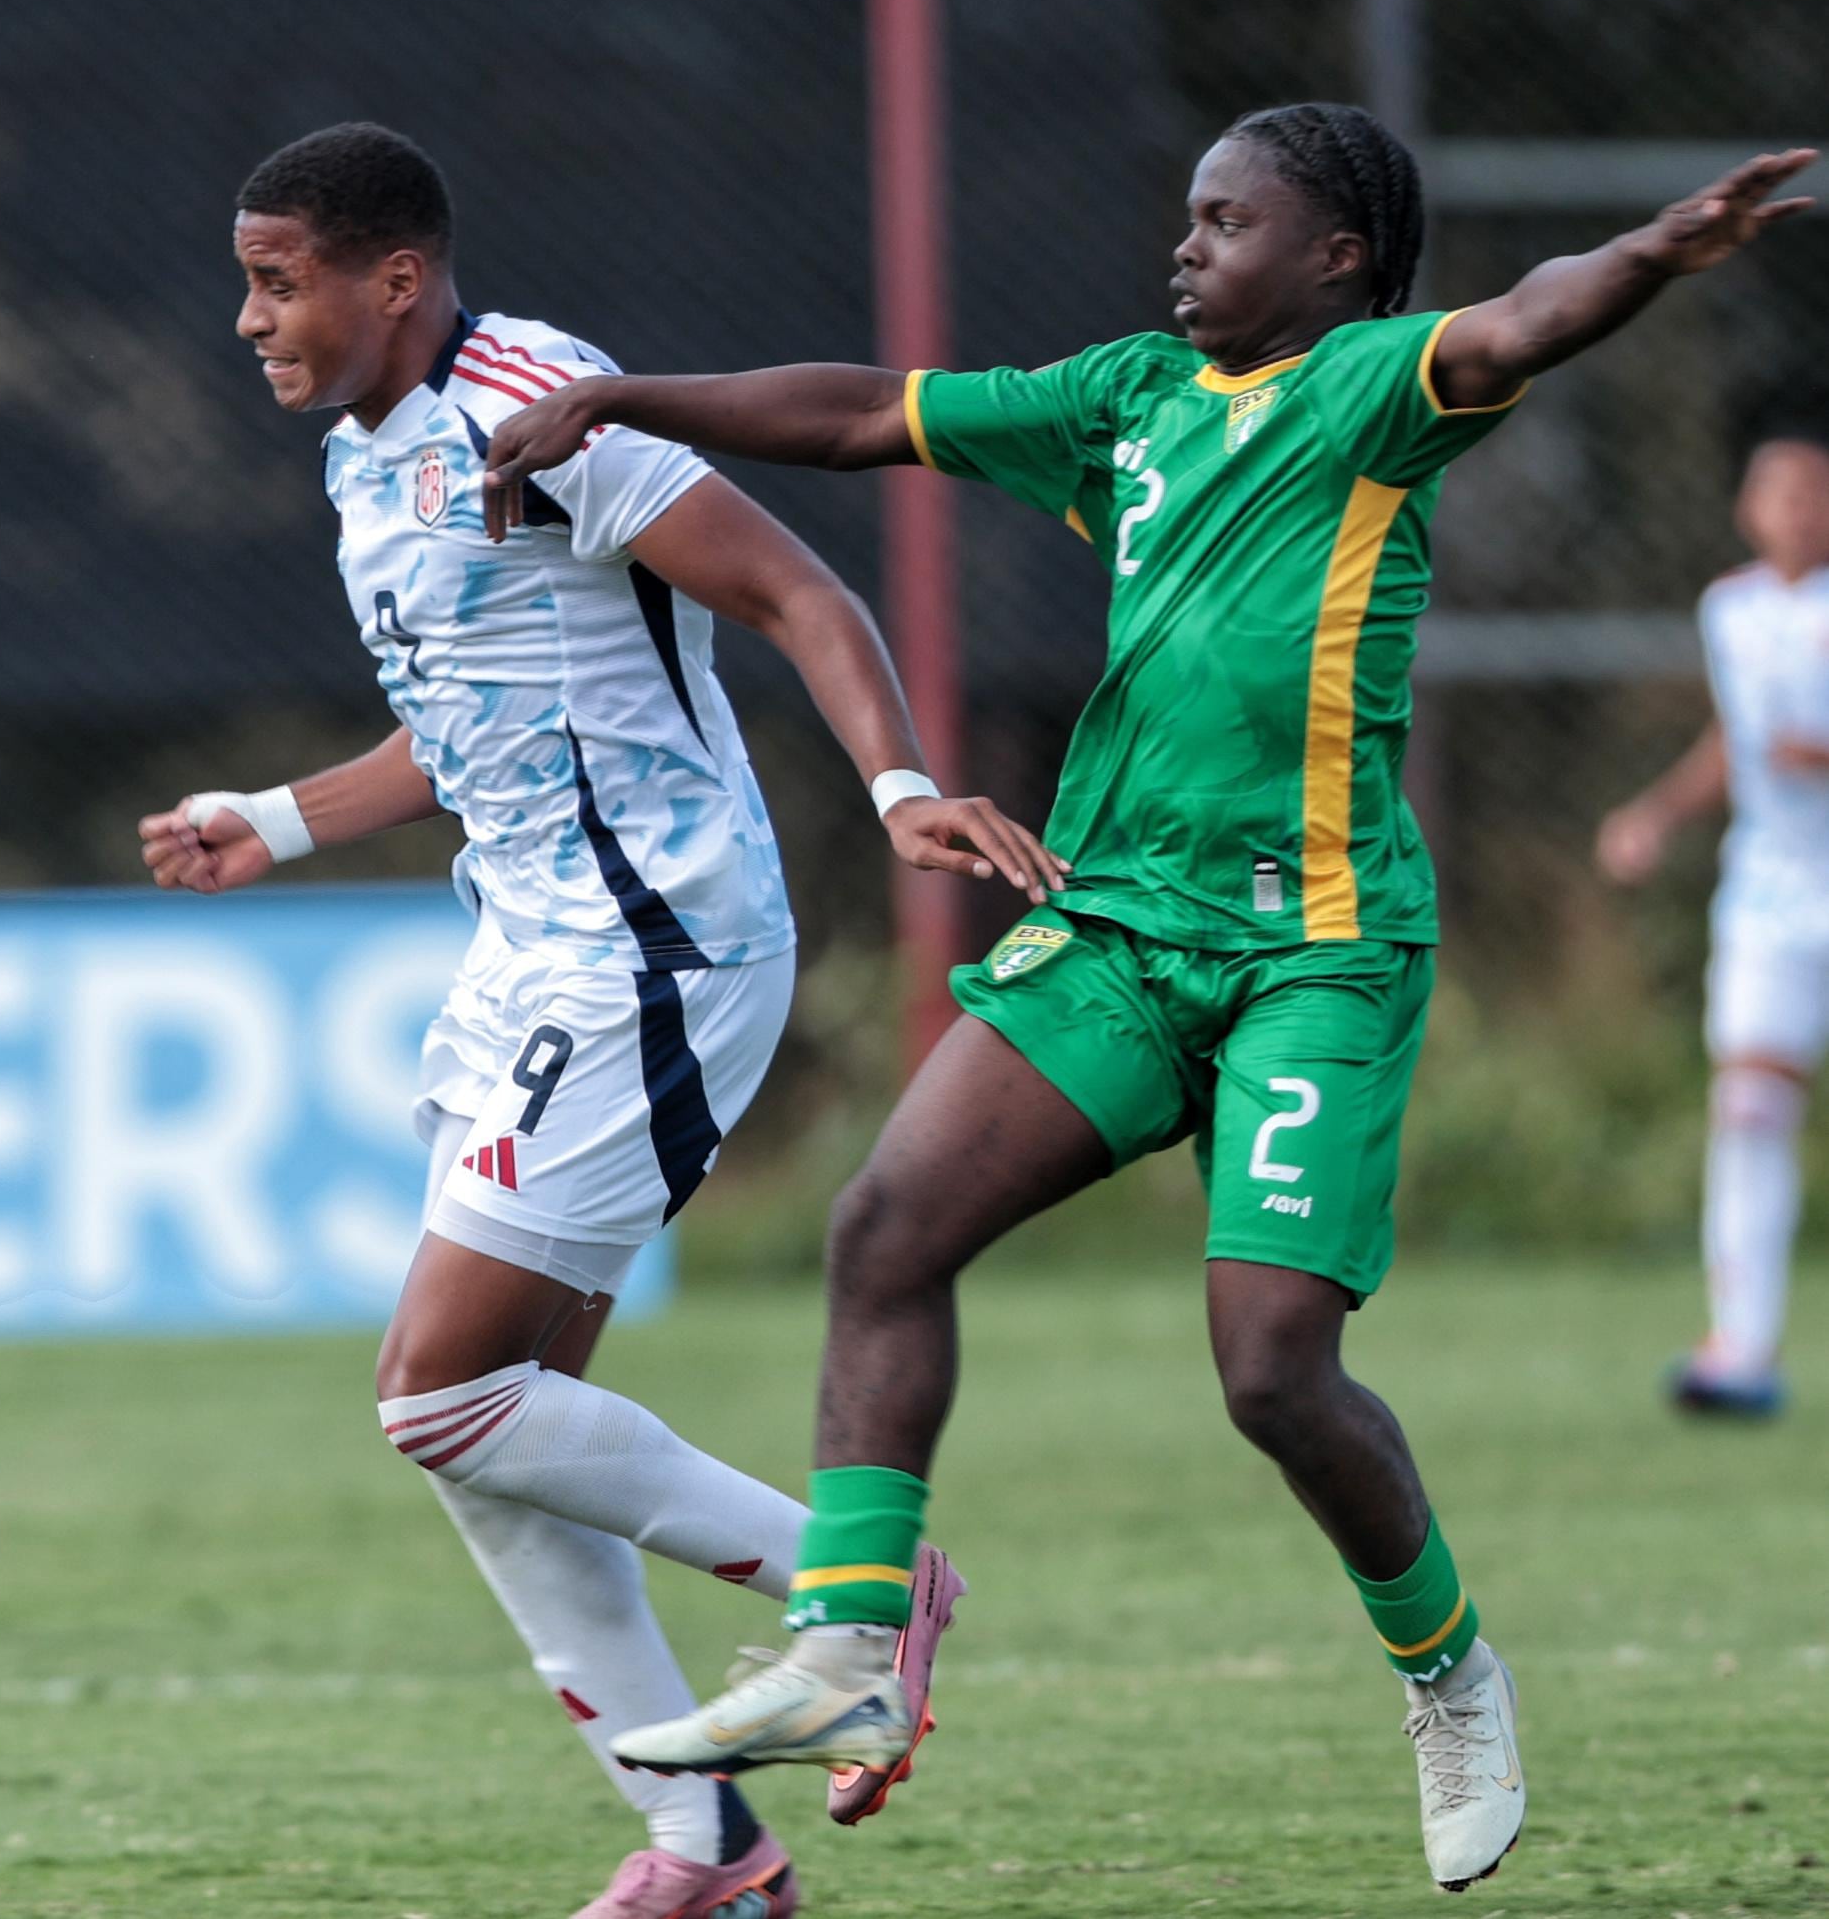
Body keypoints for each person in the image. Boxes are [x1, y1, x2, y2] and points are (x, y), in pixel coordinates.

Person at [484, 109, 1814, 1895]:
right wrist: (624, 396)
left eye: (1223, 218)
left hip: (1311, 953)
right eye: (1184, 217)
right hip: (1117, 929)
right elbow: (865, 414)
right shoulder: (1126, 397)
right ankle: (846, 1655)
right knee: (883, 1225)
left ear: (1332, 257)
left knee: (1268, 1370)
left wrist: (1646, 257)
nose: (1181, 247)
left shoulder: (1366, 392)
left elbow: (1517, 322)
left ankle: (1446, 1672)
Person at [140, 123, 1061, 1919]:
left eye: (274, 279)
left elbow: (797, 588)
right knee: (492, 1429)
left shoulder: (537, 399)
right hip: (526, 951)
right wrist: (276, 819)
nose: (245, 317)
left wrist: (892, 792)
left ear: (388, 276)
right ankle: (704, 1846)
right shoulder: (365, 457)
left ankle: (855, 1595)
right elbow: (473, 724)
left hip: (652, 948)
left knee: (437, 1395)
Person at [1597, 418, 1829, 1418]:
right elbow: (1739, 744)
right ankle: (1738, 1348)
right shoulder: (1726, 610)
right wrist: (1651, 812)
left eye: (1812, 493)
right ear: (1745, 509)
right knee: (1747, 1106)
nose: (1795, 510)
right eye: (1777, 492)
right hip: (1773, 894)